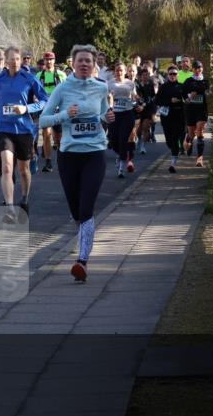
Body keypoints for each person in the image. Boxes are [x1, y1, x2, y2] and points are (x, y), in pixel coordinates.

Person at [38, 44, 116, 281]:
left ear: (94, 65)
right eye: (80, 60)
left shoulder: (101, 88)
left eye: (88, 61)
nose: (84, 64)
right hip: (69, 155)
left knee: (86, 208)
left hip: (95, 153)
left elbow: (103, 114)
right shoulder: (62, 88)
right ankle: (83, 239)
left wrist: (107, 117)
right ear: (72, 64)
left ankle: (82, 261)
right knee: (75, 211)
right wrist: (65, 115)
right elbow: (43, 120)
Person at [0, 46, 48, 222]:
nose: (14, 62)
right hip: (4, 129)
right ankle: (10, 208)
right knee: (6, 167)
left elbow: (44, 100)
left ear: (21, 60)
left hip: (24, 129)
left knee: (23, 170)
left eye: (17, 59)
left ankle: (24, 198)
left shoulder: (29, 78)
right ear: (5, 61)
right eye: (11, 59)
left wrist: (26, 108)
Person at [34, 51, 66, 172]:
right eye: (47, 59)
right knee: (46, 134)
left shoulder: (61, 75)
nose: (49, 62)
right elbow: (35, 92)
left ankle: (61, 157)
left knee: (58, 138)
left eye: (51, 59)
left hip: (58, 109)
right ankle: (48, 162)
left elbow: (67, 91)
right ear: (44, 61)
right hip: (45, 109)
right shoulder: (39, 76)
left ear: (54, 60)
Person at [107, 61, 138, 178]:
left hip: (127, 114)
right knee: (113, 141)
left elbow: (134, 96)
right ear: (114, 72)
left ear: (125, 72)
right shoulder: (110, 83)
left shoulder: (130, 83)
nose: (119, 72)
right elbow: (107, 98)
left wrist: (136, 100)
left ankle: (121, 168)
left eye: (121, 70)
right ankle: (120, 155)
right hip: (115, 114)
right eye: (117, 70)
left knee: (123, 139)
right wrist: (110, 101)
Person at [155, 65, 187, 172]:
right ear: (168, 75)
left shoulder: (181, 86)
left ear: (178, 75)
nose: (173, 75)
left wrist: (184, 101)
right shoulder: (163, 87)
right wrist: (170, 101)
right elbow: (157, 101)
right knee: (169, 141)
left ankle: (173, 163)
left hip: (179, 116)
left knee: (175, 139)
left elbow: (186, 100)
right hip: (167, 117)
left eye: (174, 74)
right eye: (171, 74)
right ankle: (175, 151)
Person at [182, 59, 210, 167]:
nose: (198, 70)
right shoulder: (188, 81)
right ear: (192, 69)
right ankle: (188, 139)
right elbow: (183, 93)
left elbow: (206, 90)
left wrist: (205, 93)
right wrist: (189, 96)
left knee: (200, 132)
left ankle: (199, 158)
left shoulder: (205, 81)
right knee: (191, 133)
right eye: (196, 68)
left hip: (202, 110)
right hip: (190, 110)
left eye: (200, 68)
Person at [136, 65, 160, 154]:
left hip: (148, 108)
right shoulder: (137, 85)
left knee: (145, 127)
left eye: (147, 75)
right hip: (139, 108)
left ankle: (143, 145)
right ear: (140, 76)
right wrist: (140, 104)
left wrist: (146, 105)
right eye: (143, 75)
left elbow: (153, 97)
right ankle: (139, 139)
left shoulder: (151, 85)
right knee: (138, 130)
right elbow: (138, 97)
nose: (145, 76)